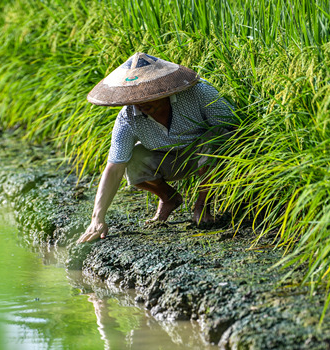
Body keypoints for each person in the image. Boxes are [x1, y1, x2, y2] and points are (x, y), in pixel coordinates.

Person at [77, 52, 237, 243]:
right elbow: (114, 167)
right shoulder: (127, 117)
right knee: (133, 159)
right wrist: (97, 219)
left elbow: (230, 129)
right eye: (135, 97)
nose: (140, 103)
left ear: (164, 90)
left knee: (216, 138)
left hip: (203, 154)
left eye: (147, 96)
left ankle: (202, 205)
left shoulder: (199, 93)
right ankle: (168, 197)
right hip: (167, 159)